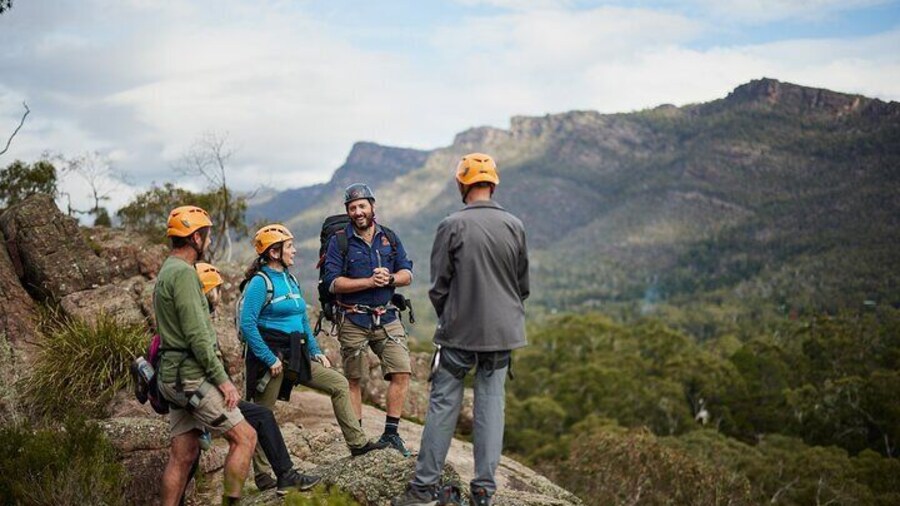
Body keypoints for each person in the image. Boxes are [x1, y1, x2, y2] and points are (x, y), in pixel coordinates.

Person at [392, 154, 529, 506]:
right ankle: (483, 492)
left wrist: (451, 316)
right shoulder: (515, 225)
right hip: (503, 333)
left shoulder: (451, 225)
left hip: (459, 332)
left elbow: (439, 285)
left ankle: (423, 490)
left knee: (443, 405)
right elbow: (521, 286)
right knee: (491, 405)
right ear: (492, 184)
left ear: (461, 184)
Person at [240, 224, 388, 490]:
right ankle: (263, 475)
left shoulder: (291, 279)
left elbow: (303, 321)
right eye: (289, 246)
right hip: (270, 357)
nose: (294, 250)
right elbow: (247, 324)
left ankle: (357, 444)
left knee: (338, 384)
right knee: (263, 413)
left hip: (296, 354)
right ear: (274, 252)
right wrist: (267, 358)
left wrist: (316, 351)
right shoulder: (259, 283)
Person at [154, 205, 256, 506]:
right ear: (196, 237)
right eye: (207, 235)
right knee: (245, 437)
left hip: (170, 376)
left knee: (183, 454)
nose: (209, 241)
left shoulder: (166, 271)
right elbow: (198, 336)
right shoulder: (184, 275)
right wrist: (223, 381)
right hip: (189, 378)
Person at [195, 262, 322, 494]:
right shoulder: (198, 323)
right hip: (200, 392)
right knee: (249, 431)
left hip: (191, 390)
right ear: (207, 292)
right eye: (216, 290)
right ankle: (276, 478)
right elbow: (206, 358)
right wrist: (224, 386)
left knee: (184, 456)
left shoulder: (193, 318)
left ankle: (280, 476)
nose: (220, 296)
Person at [321, 183, 415, 456]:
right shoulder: (339, 241)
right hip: (353, 318)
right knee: (353, 379)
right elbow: (332, 283)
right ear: (348, 212)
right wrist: (368, 281)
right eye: (352, 208)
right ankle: (358, 439)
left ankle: (391, 434)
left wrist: (391, 278)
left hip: (387, 315)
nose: (358, 212)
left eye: (362, 206)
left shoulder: (389, 237)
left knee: (401, 371)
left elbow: (407, 273)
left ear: (372, 206)